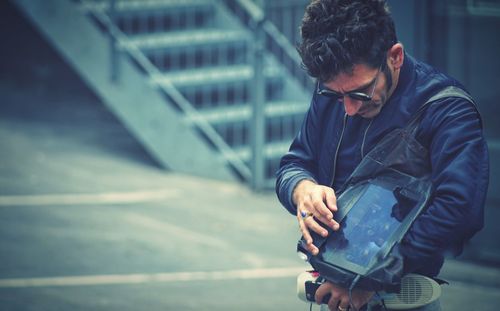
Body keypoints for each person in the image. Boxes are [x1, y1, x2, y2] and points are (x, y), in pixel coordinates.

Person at [275, 0, 489, 310]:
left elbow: (459, 210)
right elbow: (294, 164)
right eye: (336, 95)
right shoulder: (335, 88)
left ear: (395, 57)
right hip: (332, 291)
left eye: (360, 93)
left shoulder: (448, 109)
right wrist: (302, 190)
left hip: (400, 296)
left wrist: (368, 278)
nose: (349, 107)